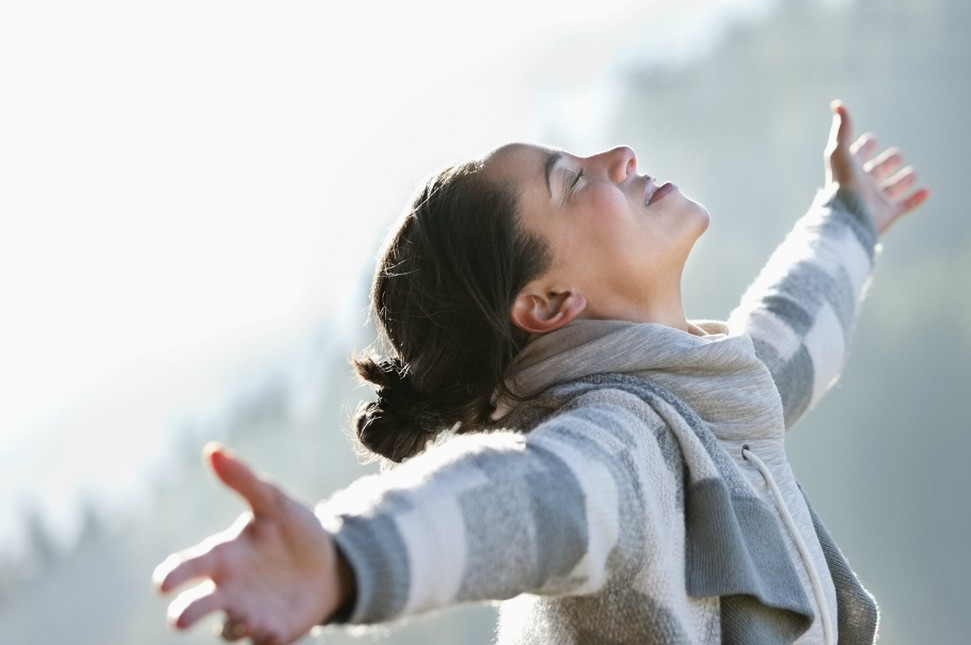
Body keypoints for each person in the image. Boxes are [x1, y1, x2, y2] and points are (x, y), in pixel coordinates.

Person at [153, 100, 930, 645]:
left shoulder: (700, 406)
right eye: (572, 181)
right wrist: (346, 558)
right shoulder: (620, 446)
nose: (617, 158)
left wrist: (848, 219)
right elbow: (520, 499)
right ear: (551, 300)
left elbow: (784, 348)